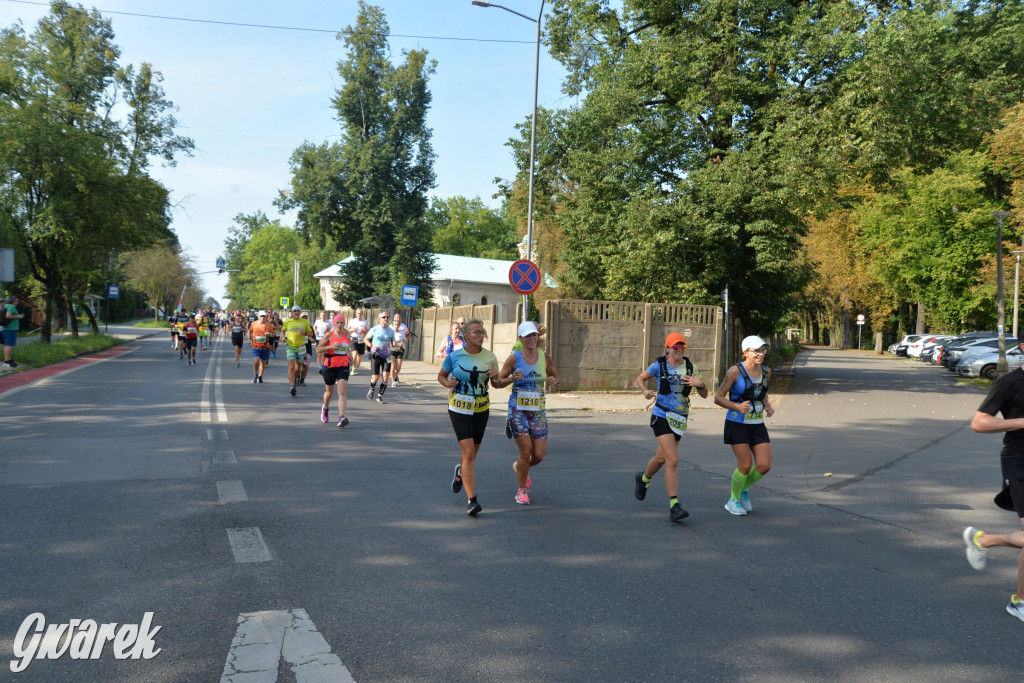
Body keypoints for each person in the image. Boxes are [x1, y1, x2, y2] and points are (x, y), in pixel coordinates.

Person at [964, 333, 1024, 624]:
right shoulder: (1010, 383)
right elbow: (979, 423)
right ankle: (1020, 602)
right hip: (1020, 461)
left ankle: (984, 540)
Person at [633, 332, 709, 522]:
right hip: (661, 416)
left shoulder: (691, 368)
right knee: (672, 459)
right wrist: (644, 391)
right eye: (676, 346)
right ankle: (674, 505)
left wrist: (700, 384)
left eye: (682, 346)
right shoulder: (658, 366)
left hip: (680, 419)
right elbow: (640, 378)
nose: (680, 350)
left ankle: (643, 479)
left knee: (661, 458)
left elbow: (705, 394)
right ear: (667, 349)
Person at [438, 318, 501, 516]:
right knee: (469, 453)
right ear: (466, 335)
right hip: (458, 408)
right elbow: (441, 375)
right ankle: (472, 500)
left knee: (471, 455)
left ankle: (460, 473)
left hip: (481, 409)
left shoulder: (490, 357)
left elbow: (497, 383)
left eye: (483, 333)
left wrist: (500, 378)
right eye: (477, 332)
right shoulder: (455, 356)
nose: (481, 336)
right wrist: (447, 383)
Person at [499, 321, 560, 505]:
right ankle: (521, 490)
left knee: (539, 455)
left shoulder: (544, 357)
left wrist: (553, 380)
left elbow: (557, 376)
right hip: (518, 409)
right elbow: (498, 381)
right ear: (521, 339)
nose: (532, 339)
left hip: (537, 410)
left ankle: (519, 467)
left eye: (534, 335)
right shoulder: (514, 358)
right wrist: (511, 378)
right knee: (526, 451)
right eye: (527, 336)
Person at [714, 335, 774, 516]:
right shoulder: (735, 371)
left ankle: (743, 489)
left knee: (764, 465)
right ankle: (733, 500)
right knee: (746, 465)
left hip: (757, 424)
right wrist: (737, 406)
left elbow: (761, 391)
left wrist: (767, 404)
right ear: (745, 352)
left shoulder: (766, 371)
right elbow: (718, 397)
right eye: (756, 350)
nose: (760, 354)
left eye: (763, 350)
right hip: (737, 423)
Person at [317, 314, 353, 428]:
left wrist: (350, 356)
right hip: (330, 366)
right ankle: (325, 408)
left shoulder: (346, 335)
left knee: (342, 392)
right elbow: (318, 349)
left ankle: (341, 417)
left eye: (342, 322)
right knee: (329, 392)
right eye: (337, 322)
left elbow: (347, 348)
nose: (340, 325)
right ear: (334, 323)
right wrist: (331, 346)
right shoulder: (329, 335)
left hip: (343, 365)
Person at [281, 306, 315, 397]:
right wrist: (282, 337)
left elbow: (311, 333)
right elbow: (283, 331)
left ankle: (294, 380)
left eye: (298, 311)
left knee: (297, 368)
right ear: (291, 312)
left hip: (301, 347)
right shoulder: (287, 321)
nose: (296, 312)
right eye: (294, 311)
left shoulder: (305, 322)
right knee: (291, 367)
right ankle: (292, 387)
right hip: (290, 347)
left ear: (300, 312)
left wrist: (304, 333)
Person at [364, 312, 395, 404]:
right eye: (383, 317)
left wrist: (393, 344)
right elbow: (366, 339)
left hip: (387, 357)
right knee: (375, 378)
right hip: (376, 355)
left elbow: (392, 340)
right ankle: (372, 388)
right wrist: (371, 346)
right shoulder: (374, 329)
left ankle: (379, 396)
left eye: (387, 317)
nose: (386, 318)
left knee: (385, 378)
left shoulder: (391, 330)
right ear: (379, 319)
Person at [248, 311, 274, 383]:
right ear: (258, 316)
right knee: (256, 361)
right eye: (261, 316)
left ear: (266, 317)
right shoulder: (254, 323)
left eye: (264, 316)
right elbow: (249, 331)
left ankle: (260, 376)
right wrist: (249, 339)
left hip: (265, 346)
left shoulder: (269, 325)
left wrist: (269, 334)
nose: (263, 318)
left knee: (263, 363)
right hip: (256, 346)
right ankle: (255, 374)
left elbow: (273, 334)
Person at [2, 295, 25, 368]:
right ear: (14, 301)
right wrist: (18, 316)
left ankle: (8, 359)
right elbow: (8, 316)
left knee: (7, 344)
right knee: (10, 344)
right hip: (10, 328)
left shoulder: (6, 306)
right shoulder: (11, 307)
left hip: (5, 328)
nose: (17, 302)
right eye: (17, 301)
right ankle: (7, 361)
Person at [347, 308, 369, 375]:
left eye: (360, 313)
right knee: (355, 354)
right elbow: (347, 329)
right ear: (356, 314)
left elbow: (368, 331)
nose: (359, 314)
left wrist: (365, 330)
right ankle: (353, 368)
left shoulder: (365, 322)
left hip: (361, 339)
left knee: (359, 356)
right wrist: (352, 330)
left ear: (362, 314)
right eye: (358, 313)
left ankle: (356, 368)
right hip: (354, 338)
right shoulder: (352, 321)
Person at [390, 312, 410, 385]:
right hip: (391, 349)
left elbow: (408, 336)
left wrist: (403, 342)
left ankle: (395, 375)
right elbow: (386, 338)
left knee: (398, 368)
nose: (398, 319)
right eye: (397, 317)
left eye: (399, 317)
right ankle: (393, 381)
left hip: (400, 349)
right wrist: (391, 342)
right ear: (394, 318)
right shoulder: (390, 327)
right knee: (393, 365)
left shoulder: (403, 327)